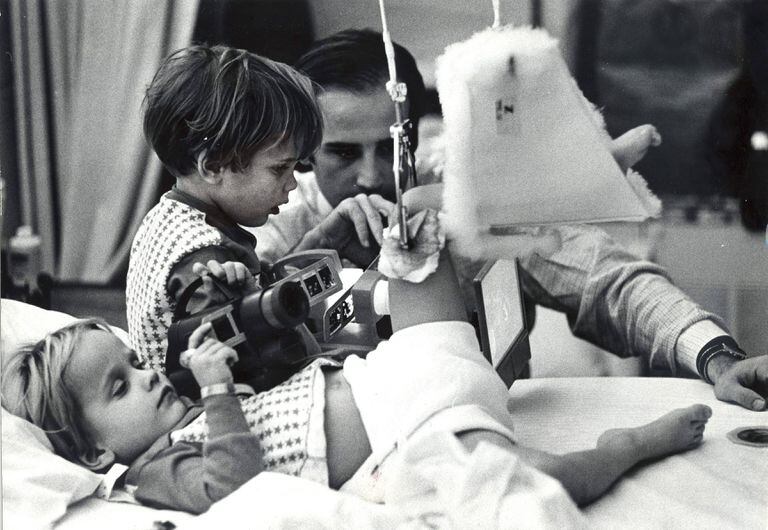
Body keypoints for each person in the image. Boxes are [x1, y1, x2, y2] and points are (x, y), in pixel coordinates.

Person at [249, 28, 768, 412]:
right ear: (305, 151)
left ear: (416, 131)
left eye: (390, 148)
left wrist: (717, 357)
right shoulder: (277, 223)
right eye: (342, 153)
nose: (370, 176)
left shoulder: (467, 192)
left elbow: (605, 278)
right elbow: (222, 354)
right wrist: (315, 255)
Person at [2, 251, 712, 515]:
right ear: (96, 454)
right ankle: (627, 446)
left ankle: (534, 206)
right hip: (411, 438)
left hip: (396, 376)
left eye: (131, 365)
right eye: (119, 389)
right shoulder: (155, 475)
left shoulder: (183, 412)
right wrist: (218, 395)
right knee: (540, 485)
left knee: (423, 256)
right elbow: (236, 485)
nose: (146, 378)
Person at [125, 44, 323, 375]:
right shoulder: (206, 259)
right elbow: (240, 369)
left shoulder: (166, 215)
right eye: (279, 169)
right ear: (214, 166)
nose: (293, 184)